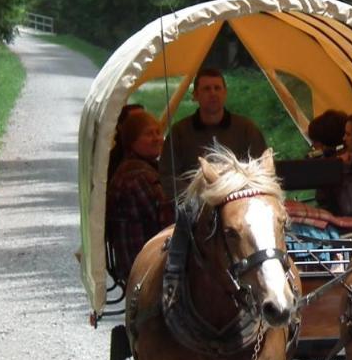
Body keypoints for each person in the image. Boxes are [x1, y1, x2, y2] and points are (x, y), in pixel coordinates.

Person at [158, 67, 268, 200]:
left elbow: (261, 169)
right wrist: (197, 196)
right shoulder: (179, 132)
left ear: (225, 93)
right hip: (195, 206)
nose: (213, 93)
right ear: (195, 95)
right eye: (206, 89)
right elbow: (168, 176)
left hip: (240, 200)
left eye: (217, 88)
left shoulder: (247, 129)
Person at [107, 109, 173, 283]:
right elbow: (167, 221)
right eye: (148, 134)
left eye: (158, 132)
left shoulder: (134, 168)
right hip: (144, 263)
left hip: (135, 259)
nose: (157, 138)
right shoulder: (138, 176)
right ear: (132, 142)